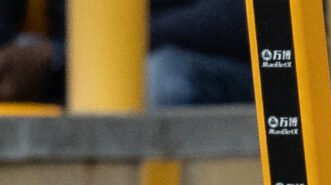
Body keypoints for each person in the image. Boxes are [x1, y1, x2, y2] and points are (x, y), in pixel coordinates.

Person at [0, 0, 253, 107]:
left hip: (209, 62)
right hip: (67, 69)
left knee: (159, 79)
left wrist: (65, 56)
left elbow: (246, 19)